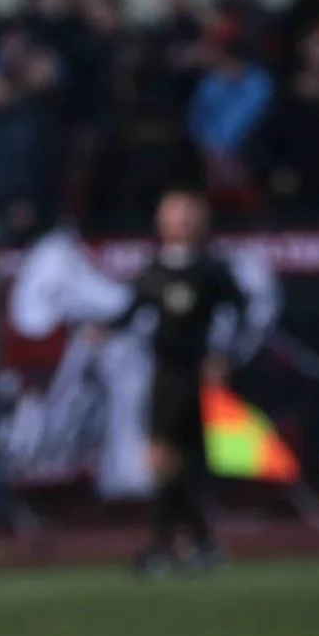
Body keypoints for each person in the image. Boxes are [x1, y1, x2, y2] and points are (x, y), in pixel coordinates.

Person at [103, 190, 247, 577]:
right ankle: (195, 543)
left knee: (181, 461)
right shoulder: (154, 269)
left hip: (196, 375)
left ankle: (166, 546)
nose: (180, 221)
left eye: (186, 214)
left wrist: (223, 355)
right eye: (172, 213)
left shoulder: (211, 270)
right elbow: (131, 312)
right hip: (164, 374)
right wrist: (101, 329)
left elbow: (242, 313)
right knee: (166, 462)